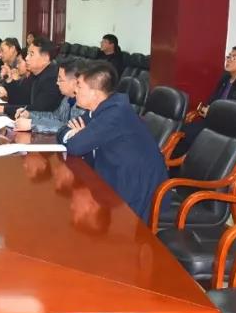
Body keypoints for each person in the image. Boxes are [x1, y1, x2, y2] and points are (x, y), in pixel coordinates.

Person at [58, 61, 168, 222]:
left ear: (95, 93)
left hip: (136, 187)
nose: (75, 90)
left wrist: (78, 137)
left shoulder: (115, 113)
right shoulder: (101, 107)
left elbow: (76, 146)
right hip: (113, 173)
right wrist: (73, 134)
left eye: (79, 86)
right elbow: (64, 129)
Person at [177, 45, 236, 153]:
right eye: (228, 56)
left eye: (233, 57)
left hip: (230, 129)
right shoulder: (225, 78)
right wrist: (206, 109)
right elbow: (212, 100)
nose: (228, 60)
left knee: (189, 134)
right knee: (181, 130)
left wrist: (214, 113)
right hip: (213, 122)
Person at [0, 36, 63, 118]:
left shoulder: (52, 79)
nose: (27, 58)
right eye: (28, 54)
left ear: (45, 57)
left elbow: (37, 109)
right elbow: (20, 98)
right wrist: (9, 79)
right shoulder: (35, 74)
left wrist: (4, 109)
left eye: (31, 54)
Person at [15, 57, 86, 134]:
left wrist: (32, 125)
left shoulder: (85, 105)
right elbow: (55, 117)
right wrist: (30, 115)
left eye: (60, 79)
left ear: (74, 82)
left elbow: (68, 128)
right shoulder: (67, 98)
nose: (57, 83)